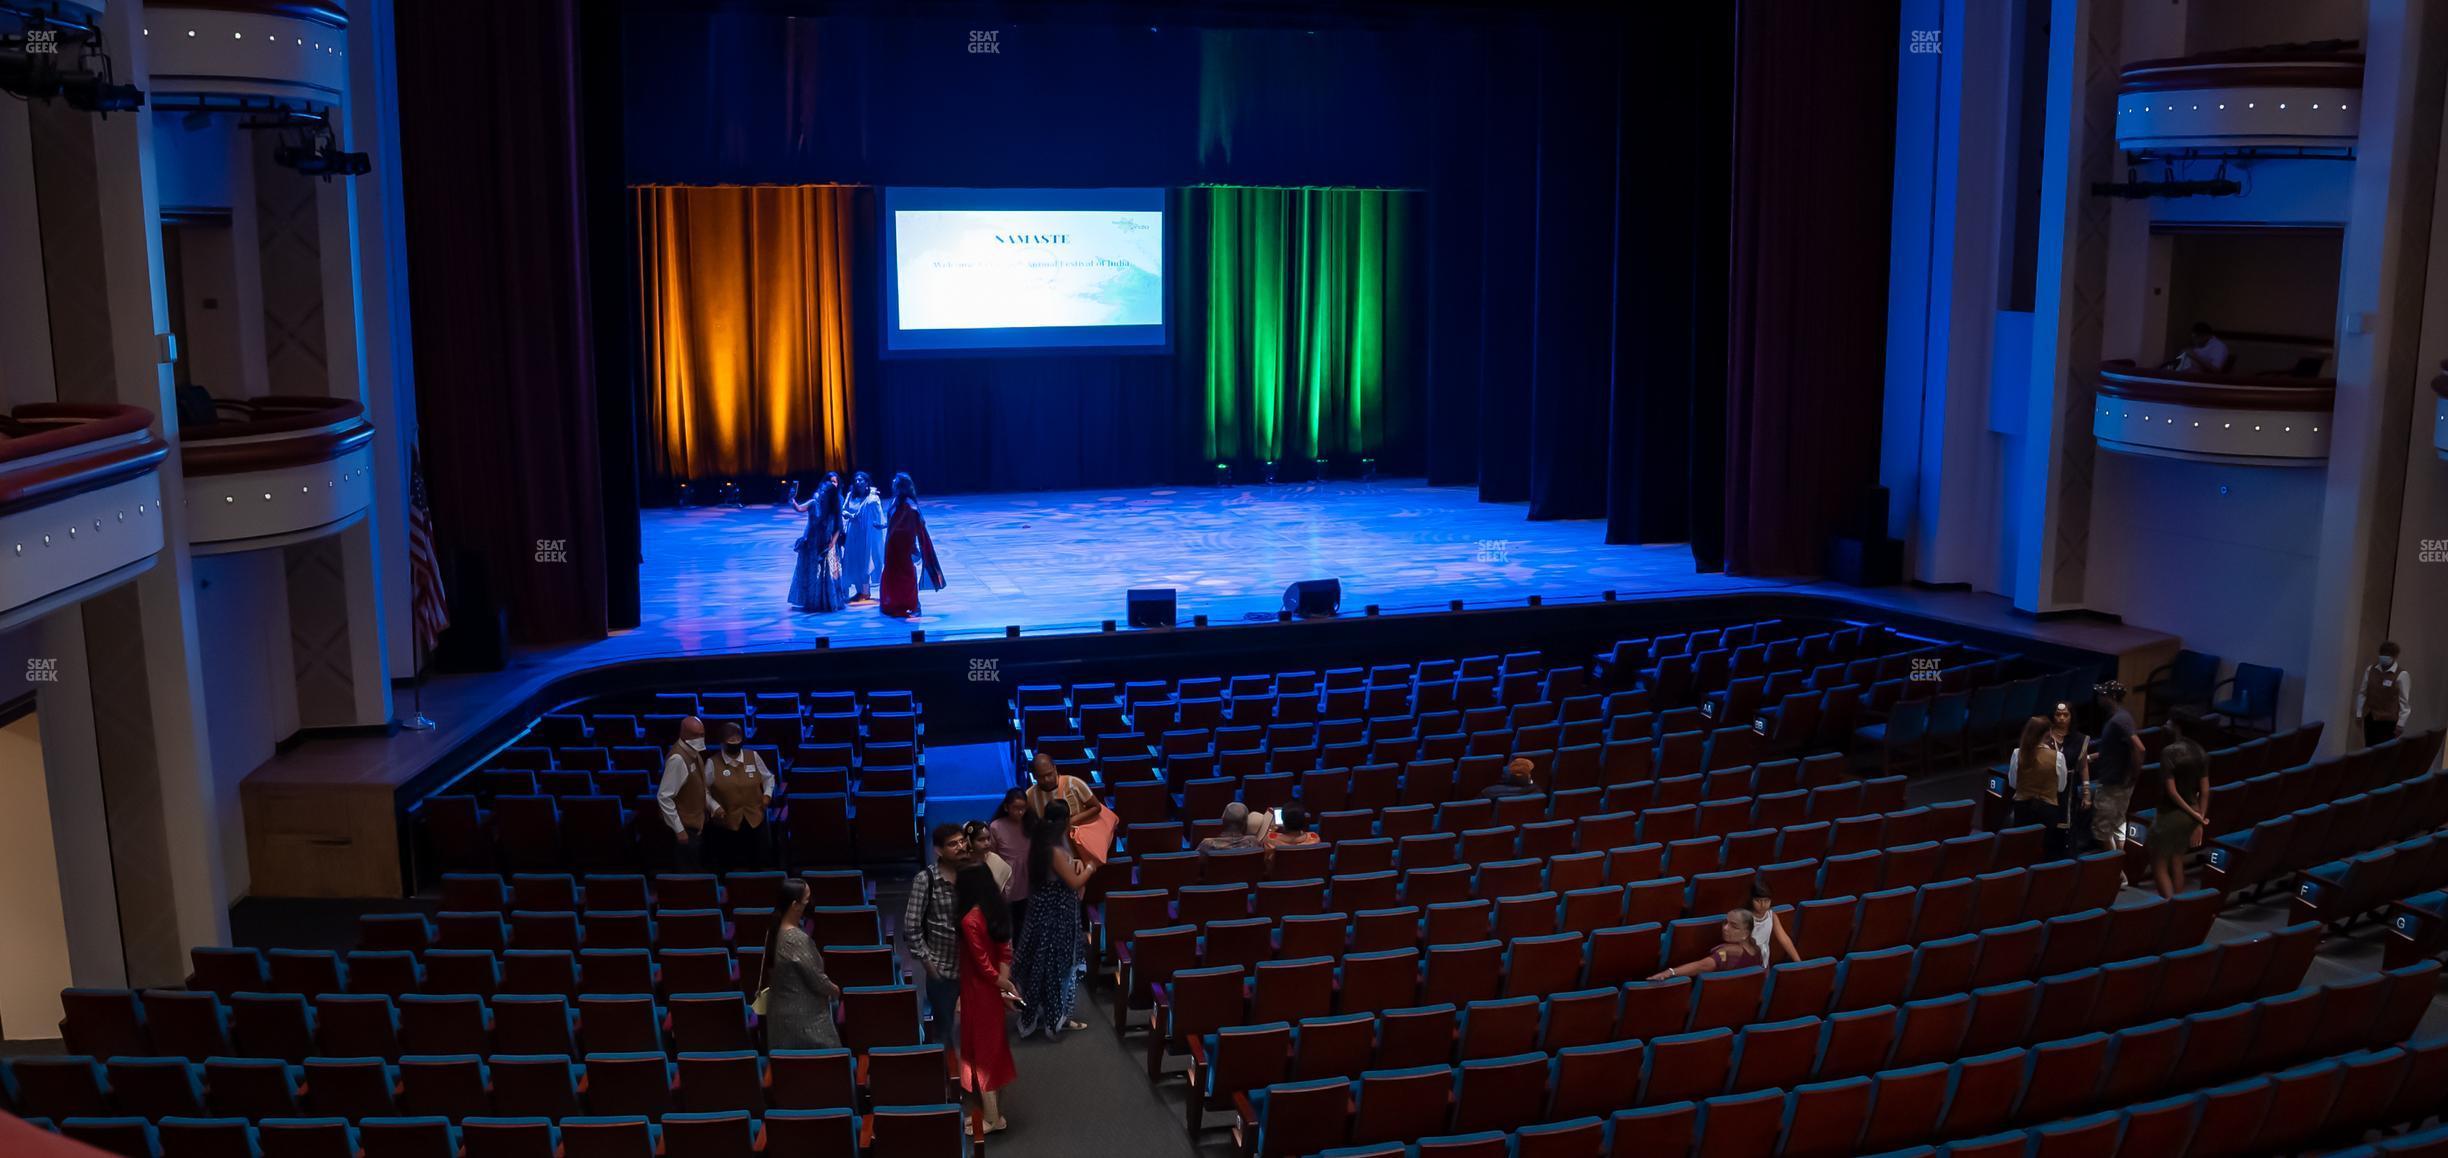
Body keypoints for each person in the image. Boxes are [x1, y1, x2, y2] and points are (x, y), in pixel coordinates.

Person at [1013, 800, 1099, 1038]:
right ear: (1066, 820)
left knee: (1042, 963)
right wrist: (1091, 867)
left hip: (1042, 910)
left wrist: (1076, 864)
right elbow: (1073, 882)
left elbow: (1064, 870)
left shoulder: (1040, 843)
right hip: (1056, 913)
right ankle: (1055, 1017)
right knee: (1057, 966)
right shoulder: (1054, 848)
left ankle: (1045, 1013)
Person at [953, 865, 1018, 1133]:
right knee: (993, 1049)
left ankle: (992, 1119)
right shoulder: (995, 910)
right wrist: (1005, 986)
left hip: (978, 991)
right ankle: (994, 1113)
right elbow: (1004, 952)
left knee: (982, 1056)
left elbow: (982, 965)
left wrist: (1003, 984)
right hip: (990, 992)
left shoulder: (970, 920)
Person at [900, 824, 966, 1045]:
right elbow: (911, 926)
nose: (960, 847)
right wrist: (929, 965)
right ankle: (946, 1073)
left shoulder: (973, 872)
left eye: (962, 841)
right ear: (938, 850)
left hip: (973, 966)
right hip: (942, 968)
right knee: (944, 1029)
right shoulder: (925, 879)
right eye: (952, 844)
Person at [757, 879, 841, 1049]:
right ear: (795, 905)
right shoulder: (796, 939)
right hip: (804, 1025)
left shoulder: (774, 930)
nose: (810, 903)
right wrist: (835, 990)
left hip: (780, 1019)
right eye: (807, 899)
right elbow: (817, 980)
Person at [2149, 715, 2213, 899]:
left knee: (2159, 864)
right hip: (2191, 813)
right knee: (2177, 860)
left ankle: (2170, 906)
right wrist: (2198, 818)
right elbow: (2205, 791)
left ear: (2178, 726)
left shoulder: (2169, 752)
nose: (2166, 724)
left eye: (2169, 721)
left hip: (2171, 814)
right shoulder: (2201, 752)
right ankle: (2178, 904)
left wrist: (2198, 818)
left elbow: (2172, 792)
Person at [700, 721, 775, 871]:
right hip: (727, 822)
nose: (734, 742)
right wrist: (714, 807)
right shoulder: (712, 763)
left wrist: (767, 795)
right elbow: (703, 791)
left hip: (755, 818)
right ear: (722, 742)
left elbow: (768, 778)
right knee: (733, 863)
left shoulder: (753, 756)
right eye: (730, 740)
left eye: (737, 739)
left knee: (759, 860)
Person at [878, 472, 945, 618]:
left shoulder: (910, 506)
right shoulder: (895, 501)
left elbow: (913, 525)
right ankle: (893, 603)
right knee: (892, 573)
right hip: (891, 546)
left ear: (902, 486)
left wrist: (912, 545)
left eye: (896, 483)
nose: (893, 485)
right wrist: (884, 525)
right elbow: (893, 522)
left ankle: (911, 603)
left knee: (905, 574)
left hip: (902, 547)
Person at [2090, 681, 2145, 851]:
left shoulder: (2119, 720)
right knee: (2117, 824)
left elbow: (2139, 748)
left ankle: (2115, 870)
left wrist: (2134, 775)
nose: (2099, 698)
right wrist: (2093, 757)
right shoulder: (2119, 717)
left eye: (2102, 695)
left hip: (2114, 783)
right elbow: (2115, 748)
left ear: (2112, 697)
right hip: (2117, 780)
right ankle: (2118, 865)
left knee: (2102, 828)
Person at [2008, 715, 2070, 855]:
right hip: (2047, 811)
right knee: (2045, 851)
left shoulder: (2017, 754)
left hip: (2022, 810)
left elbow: (2013, 783)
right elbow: (2061, 787)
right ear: (2048, 733)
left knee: (2023, 852)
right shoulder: (2057, 757)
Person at [655, 716, 710, 869]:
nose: (700, 738)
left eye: (702, 734)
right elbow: (664, 797)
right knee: (688, 872)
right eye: (695, 735)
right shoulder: (677, 759)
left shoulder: (694, 752)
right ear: (684, 734)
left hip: (695, 823)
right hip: (685, 828)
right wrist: (679, 830)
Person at [786, 477, 848, 612]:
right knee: (813, 572)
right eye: (822, 490)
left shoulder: (834, 507)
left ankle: (829, 601)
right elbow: (799, 508)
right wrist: (792, 500)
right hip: (813, 543)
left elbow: (838, 527)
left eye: (825, 492)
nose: (822, 493)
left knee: (828, 574)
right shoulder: (814, 503)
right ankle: (813, 601)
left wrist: (832, 543)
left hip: (828, 543)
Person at [1648, 910, 1764, 981]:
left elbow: (1703, 965)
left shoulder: (1726, 953)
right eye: (1726, 922)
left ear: (1746, 933)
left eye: (1734, 926)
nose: (1725, 928)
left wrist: (1670, 972)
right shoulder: (1758, 948)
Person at [2048, 700, 2096, 850]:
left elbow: (2083, 767)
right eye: (2058, 714)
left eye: (2065, 715)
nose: (2061, 718)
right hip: (2047, 787)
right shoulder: (2045, 736)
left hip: (2069, 788)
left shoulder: (2079, 740)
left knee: (2067, 826)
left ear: (2071, 717)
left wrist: (2086, 794)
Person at [986, 789, 1033, 931]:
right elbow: (992, 854)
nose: (1020, 812)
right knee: (1007, 920)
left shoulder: (1031, 823)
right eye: (1016, 808)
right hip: (1008, 876)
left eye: (1023, 808)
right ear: (1006, 807)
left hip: (1028, 875)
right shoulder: (996, 826)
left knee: (1024, 920)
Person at [841, 471, 887, 603]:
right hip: (853, 533)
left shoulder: (872, 498)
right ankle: (858, 591)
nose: (858, 482)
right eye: (856, 480)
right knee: (852, 561)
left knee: (865, 563)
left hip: (867, 534)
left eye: (861, 480)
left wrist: (879, 528)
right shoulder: (851, 495)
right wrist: (850, 516)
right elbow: (843, 510)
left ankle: (866, 592)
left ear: (867, 483)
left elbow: (879, 516)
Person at [1025, 752, 1104, 828]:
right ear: (1034, 776)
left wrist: (1072, 821)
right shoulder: (1029, 795)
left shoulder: (1074, 783)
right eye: (1041, 777)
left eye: (1049, 774)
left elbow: (1096, 807)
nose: (1047, 779)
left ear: (1055, 768)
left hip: (1079, 835)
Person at [2357, 641, 2413, 748]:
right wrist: (2359, 713)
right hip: (2371, 717)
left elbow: (2404, 703)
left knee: (2384, 754)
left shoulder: (2402, 675)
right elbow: (2362, 692)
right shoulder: (2370, 670)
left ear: (2395, 656)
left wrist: (2401, 724)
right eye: (2383, 654)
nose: (2385, 657)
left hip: (2389, 722)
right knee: (2369, 749)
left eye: (2388, 655)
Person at [1745, 880, 1802, 966]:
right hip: (1747, 960)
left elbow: (1784, 939)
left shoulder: (1772, 916)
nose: (1763, 905)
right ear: (1751, 900)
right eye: (1758, 901)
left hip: (1763, 960)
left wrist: (1798, 962)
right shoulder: (1745, 917)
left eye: (1766, 901)